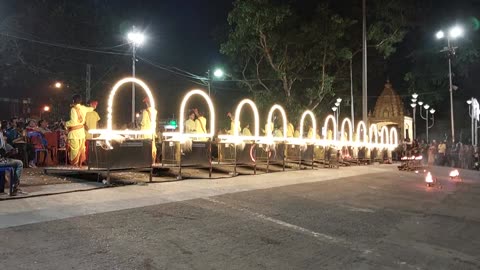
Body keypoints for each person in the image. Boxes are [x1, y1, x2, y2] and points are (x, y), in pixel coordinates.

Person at [65, 94, 93, 167]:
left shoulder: (73, 109)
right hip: (81, 132)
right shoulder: (84, 108)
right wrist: (94, 105)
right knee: (81, 149)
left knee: (74, 149)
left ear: (73, 100)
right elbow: (91, 108)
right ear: (81, 101)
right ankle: (79, 164)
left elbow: (73, 122)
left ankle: (75, 164)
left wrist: (65, 123)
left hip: (74, 133)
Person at [0, 124, 23, 196]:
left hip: (3, 159)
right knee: (19, 163)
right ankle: (15, 186)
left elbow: (4, 148)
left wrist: (11, 151)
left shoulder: (1, 134)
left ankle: (14, 186)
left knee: (17, 162)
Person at [140, 97, 158, 162]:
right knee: (153, 148)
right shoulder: (155, 111)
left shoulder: (145, 112)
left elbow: (143, 123)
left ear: (147, 103)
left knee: (146, 149)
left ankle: (147, 163)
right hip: (152, 133)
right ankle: (153, 162)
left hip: (146, 134)